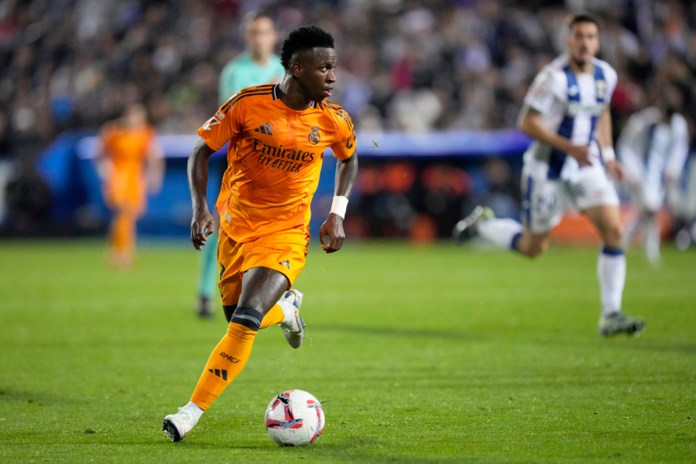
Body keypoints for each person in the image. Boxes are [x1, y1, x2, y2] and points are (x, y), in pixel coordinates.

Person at [162, 25, 358, 442]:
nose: (333, 77)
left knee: (244, 323)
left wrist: (337, 212)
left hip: (286, 233)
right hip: (236, 227)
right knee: (238, 316)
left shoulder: (333, 119)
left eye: (334, 68)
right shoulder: (247, 104)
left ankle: (189, 412)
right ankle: (287, 311)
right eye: (325, 68)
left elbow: (349, 159)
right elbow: (201, 150)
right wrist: (200, 210)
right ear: (298, 68)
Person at [453, 13, 644, 337]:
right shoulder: (552, 78)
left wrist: (608, 155)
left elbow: (602, 112)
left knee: (613, 230)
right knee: (533, 247)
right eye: (579, 36)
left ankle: (611, 314)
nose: (585, 42)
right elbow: (527, 123)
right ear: (568, 40)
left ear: (598, 42)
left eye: (591, 37)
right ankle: (485, 225)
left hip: (587, 165)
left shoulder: (605, 75)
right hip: (547, 168)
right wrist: (570, 147)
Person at [197, 12, 286, 317]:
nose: (258, 38)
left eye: (263, 32)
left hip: (276, 166)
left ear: (273, 36)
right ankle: (206, 291)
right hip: (240, 166)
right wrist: (268, 96)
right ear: (246, 37)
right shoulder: (234, 71)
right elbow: (233, 117)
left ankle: (266, 292)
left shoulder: (284, 69)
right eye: (252, 33)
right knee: (223, 227)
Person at [618, 84, 690, 265]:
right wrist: (632, 171)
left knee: (646, 211)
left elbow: (679, 149)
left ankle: (623, 243)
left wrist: (673, 169)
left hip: (659, 176)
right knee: (651, 208)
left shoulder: (677, 124)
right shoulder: (643, 121)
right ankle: (650, 250)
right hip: (639, 173)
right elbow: (626, 146)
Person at [95, 103, 164, 268]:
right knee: (122, 213)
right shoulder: (115, 132)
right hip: (118, 177)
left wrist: (155, 178)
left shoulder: (146, 134)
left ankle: (118, 250)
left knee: (129, 215)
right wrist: (105, 171)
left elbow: (154, 158)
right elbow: (100, 152)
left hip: (135, 179)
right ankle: (122, 252)